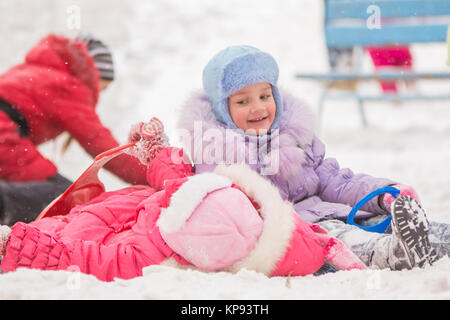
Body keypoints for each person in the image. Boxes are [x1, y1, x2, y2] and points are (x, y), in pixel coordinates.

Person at [176, 45, 449, 270]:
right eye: (243, 101)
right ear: (222, 109)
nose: (258, 107)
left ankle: (436, 239)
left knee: (376, 221)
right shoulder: (217, 158)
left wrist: (382, 194)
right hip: (298, 235)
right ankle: (392, 255)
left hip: (333, 213)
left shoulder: (293, 137)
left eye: (264, 95)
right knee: (343, 239)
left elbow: (335, 181)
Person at [0, 119, 367, 282]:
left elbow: (76, 256)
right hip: (94, 210)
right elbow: (320, 243)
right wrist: (154, 147)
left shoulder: (146, 252)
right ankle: (384, 247)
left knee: (43, 213)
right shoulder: (266, 232)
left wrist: (13, 244)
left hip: (67, 224)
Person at [0, 34, 148, 225]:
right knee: (70, 201)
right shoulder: (70, 85)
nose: (99, 96)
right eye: (102, 89)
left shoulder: (38, 70)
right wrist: (155, 173)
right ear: (96, 76)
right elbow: (103, 146)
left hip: (6, 137)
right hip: (4, 137)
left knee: (50, 195)